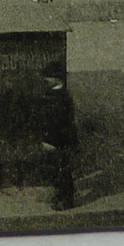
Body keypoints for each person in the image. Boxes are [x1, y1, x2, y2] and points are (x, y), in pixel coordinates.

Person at [33, 61, 78, 210]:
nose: (46, 79)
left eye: (49, 77)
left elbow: (57, 124)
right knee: (59, 170)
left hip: (58, 141)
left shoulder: (59, 98)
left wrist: (49, 141)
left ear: (56, 79)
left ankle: (65, 199)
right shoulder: (60, 95)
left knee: (61, 171)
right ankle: (61, 197)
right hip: (60, 141)